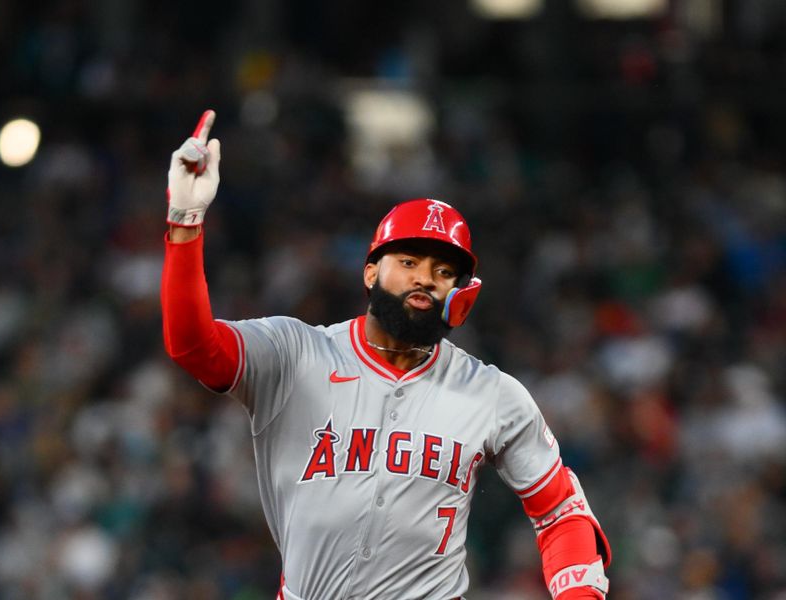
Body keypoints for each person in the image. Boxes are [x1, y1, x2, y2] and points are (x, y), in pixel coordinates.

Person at [161, 110, 611, 600]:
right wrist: (185, 222)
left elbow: (561, 511)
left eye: (443, 271)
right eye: (409, 261)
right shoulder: (297, 353)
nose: (424, 278)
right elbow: (192, 345)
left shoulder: (492, 394)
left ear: (461, 292)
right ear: (371, 272)